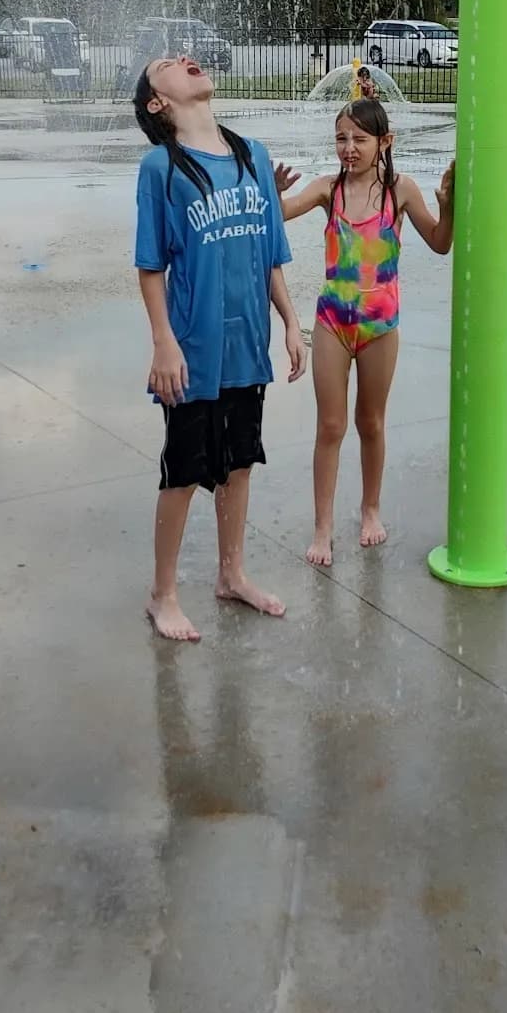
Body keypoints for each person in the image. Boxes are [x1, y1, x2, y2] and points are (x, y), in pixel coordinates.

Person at [134, 54, 307, 642]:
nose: (186, 60)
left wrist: (289, 322)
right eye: (167, 64)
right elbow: (151, 265)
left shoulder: (252, 155)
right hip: (193, 347)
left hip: (246, 343)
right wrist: (164, 344)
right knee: (183, 471)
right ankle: (163, 594)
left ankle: (231, 574)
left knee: (238, 462)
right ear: (158, 103)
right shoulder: (160, 167)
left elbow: (269, 250)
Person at [275, 98, 454, 567]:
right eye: (341, 138)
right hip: (333, 322)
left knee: (370, 423)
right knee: (330, 426)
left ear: (385, 142)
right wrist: (273, 195)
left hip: (379, 327)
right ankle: (323, 526)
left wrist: (448, 208)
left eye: (359, 139)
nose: (349, 148)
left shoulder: (401, 191)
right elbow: (276, 219)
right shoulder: (326, 190)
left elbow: (440, 244)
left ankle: (370, 509)